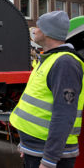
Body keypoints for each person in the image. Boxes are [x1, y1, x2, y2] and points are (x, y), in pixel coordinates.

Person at [10, 11, 84, 168]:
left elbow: (64, 115)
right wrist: (26, 145)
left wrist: (49, 160)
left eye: (38, 26)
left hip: (49, 155)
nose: (34, 30)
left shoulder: (65, 64)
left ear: (48, 32)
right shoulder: (50, 59)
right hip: (36, 149)